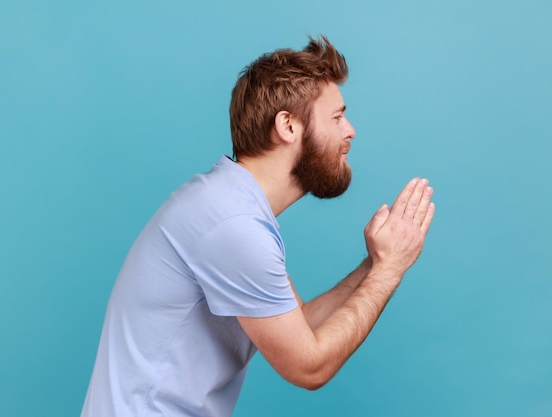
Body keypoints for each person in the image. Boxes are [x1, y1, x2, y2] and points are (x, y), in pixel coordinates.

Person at [81, 35, 435, 417]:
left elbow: (301, 328)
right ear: (288, 126)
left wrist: (376, 262)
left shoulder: (233, 205)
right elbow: (308, 366)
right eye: (336, 117)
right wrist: (389, 270)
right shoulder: (232, 225)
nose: (350, 131)